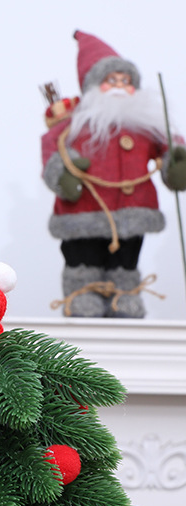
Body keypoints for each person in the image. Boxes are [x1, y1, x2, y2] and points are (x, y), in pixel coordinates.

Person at [41, 31, 186, 317]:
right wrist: (63, 172)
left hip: (134, 211)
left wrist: (176, 162)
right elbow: (52, 146)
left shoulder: (145, 124)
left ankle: (125, 295)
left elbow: (171, 145)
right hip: (84, 211)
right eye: (112, 80)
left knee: (126, 259)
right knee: (84, 256)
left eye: (126, 81)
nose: (120, 86)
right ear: (94, 85)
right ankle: (83, 295)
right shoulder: (76, 124)